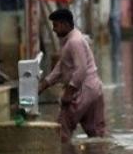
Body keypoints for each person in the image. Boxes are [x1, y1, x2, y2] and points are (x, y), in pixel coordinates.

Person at [38, 8, 106, 143]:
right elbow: (60, 69)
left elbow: (81, 71)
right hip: (94, 89)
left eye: (55, 25)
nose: (54, 29)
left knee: (61, 132)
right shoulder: (72, 40)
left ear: (65, 24)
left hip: (83, 90)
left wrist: (68, 94)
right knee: (97, 135)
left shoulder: (74, 42)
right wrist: (42, 86)